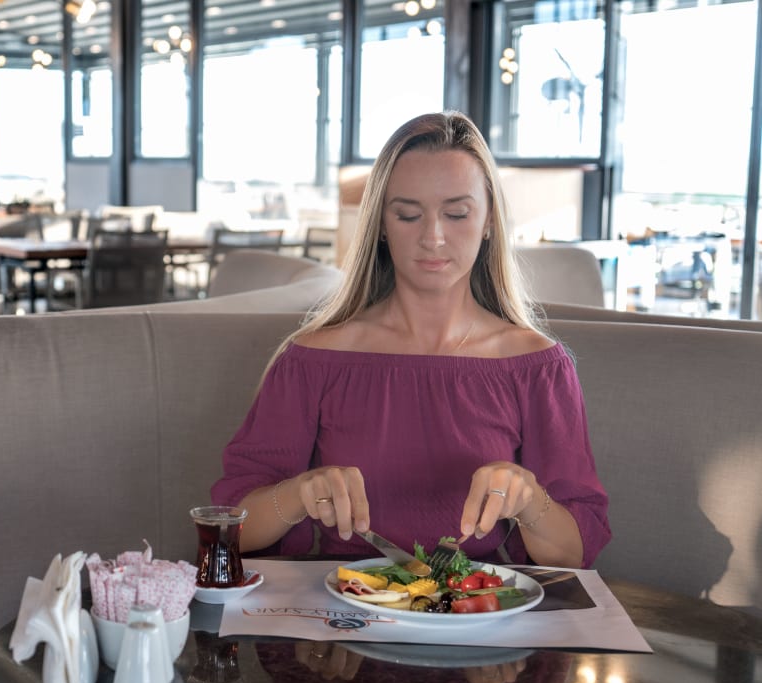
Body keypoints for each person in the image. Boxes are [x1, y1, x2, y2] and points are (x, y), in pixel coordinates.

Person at [210, 111, 610, 569]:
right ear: (381, 224)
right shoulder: (313, 358)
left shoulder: (537, 365)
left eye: (456, 214)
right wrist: (297, 494)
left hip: (478, 607)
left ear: (489, 221)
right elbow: (229, 533)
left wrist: (531, 501)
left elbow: (574, 555)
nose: (433, 238)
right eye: (408, 215)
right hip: (337, 604)